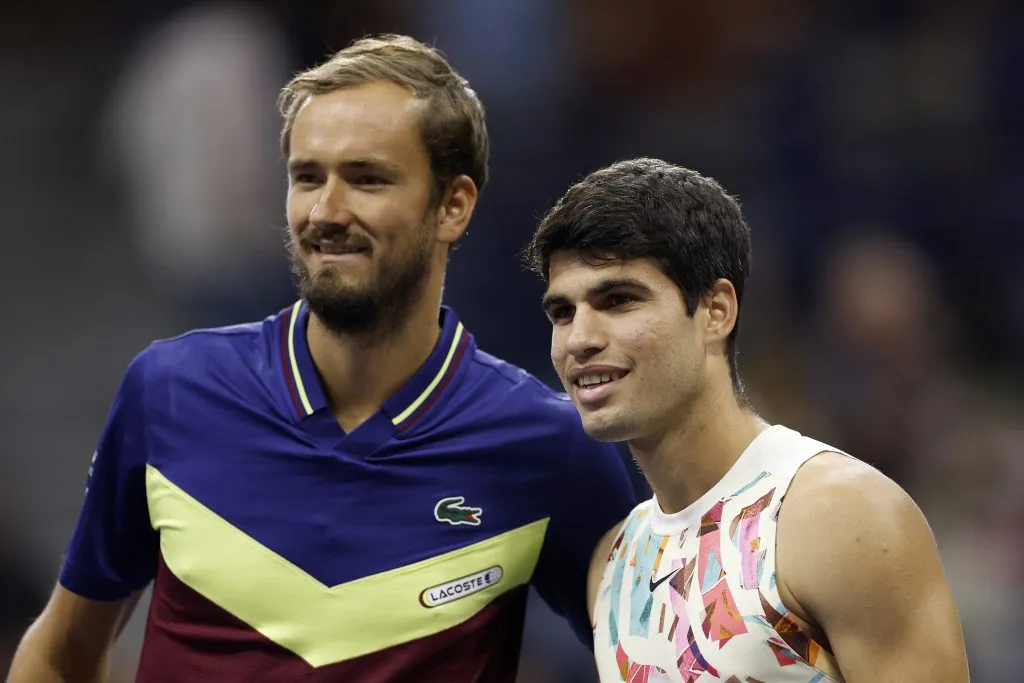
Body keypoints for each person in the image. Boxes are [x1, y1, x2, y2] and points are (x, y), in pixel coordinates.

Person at [7, 35, 636, 683]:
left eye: (366, 178)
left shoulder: (548, 443)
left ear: (453, 206)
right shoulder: (168, 390)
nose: (326, 211)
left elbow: (660, 659)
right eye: (308, 177)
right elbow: (60, 653)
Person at [524, 158, 970, 682]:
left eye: (619, 300)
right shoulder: (612, 565)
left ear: (716, 311)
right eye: (563, 313)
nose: (579, 339)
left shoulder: (840, 517)